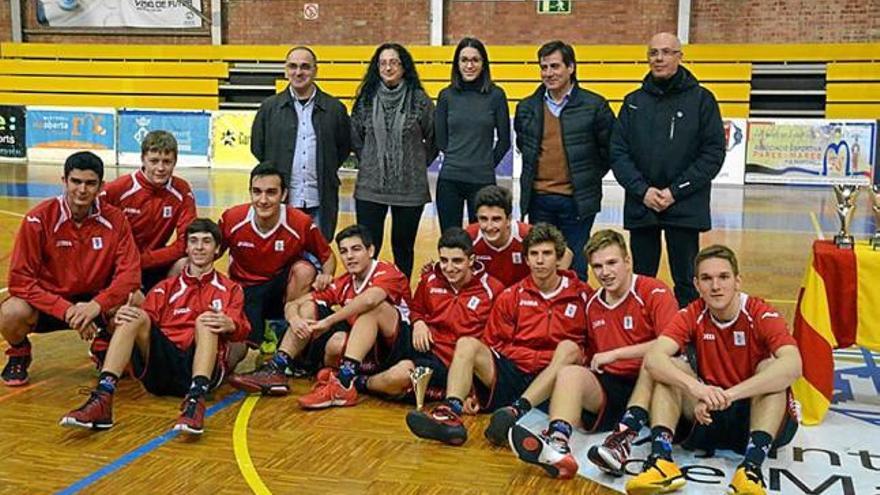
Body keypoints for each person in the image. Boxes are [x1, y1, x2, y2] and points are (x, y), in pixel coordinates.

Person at [625, 245, 801, 495]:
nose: (715, 286)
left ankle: (751, 469)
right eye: (707, 279)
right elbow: (653, 359)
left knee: (771, 368)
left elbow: (793, 366)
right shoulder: (692, 313)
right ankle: (662, 461)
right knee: (668, 369)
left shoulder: (760, 312)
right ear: (696, 284)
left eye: (723, 277)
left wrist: (729, 395)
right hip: (704, 414)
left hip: (753, 415)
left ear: (737, 281)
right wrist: (697, 389)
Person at [508, 229, 678, 479]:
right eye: (597, 266)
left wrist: (617, 354)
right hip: (612, 388)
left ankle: (622, 441)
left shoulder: (654, 291)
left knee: (654, 360)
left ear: (628, 261)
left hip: (656, 386)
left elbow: (672, 345)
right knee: (569, 373)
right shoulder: (592, 303)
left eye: (612, 263)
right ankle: (558, 445)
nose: (605, 273)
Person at [59, 219, 250, 436]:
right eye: (193, 241)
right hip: (160, 368)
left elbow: (244, 331)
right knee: (134, 315)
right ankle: (103, 397)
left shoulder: (231, 289)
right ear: (186, 248)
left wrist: (231, 324)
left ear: (217, 249)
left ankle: (195, 401)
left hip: (201, 366)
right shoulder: (164, 288)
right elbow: (142, 328)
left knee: (206, 320)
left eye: (206, 242)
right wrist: (117, 318)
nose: (199, 247)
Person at [405, 223, 589, 446]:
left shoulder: (582, 295)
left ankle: (516, 412)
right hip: (512, 374)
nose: (540, 260)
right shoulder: (511, 296)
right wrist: (473, 391)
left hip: (555, 378)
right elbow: (493, 344)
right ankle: (450, 413)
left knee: (569, 348)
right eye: (534, 254)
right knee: (467, 344)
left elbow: (591, 346)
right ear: (527, 259)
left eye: (547, 254)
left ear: (559, 258)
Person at [228, 224, 411, 409]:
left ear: (370, 250)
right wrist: (294, 319)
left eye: (356, 249)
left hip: (397, 346)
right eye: (344, 251)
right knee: (312, 310)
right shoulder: (345, 282)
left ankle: (344, 380)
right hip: (365, 347)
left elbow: (370, 300)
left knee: (373, 309)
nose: (350, 256)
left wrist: (328, 321)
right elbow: (295, 303)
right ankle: (278, 367)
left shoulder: (387, 271)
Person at [1, 151, 140, 387]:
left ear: (101, 186)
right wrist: (68, 310)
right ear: (64, 181)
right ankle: (19, 351)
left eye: (90, 183)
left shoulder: (115, 220)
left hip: (96, 303)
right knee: (10, 311)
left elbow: (130, 276)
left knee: (135, 300)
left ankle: (103, 343)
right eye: (76, 181)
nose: (82, 190)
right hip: (50, 302)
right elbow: (20, 281)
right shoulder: (38, 219)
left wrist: (95, 307)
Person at [610, 32, 726, 307]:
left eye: (666, 52)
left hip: (685, 207)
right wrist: (643, 191)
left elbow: (712, 154)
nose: (659, 58)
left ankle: (689, 340)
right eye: (653, 53)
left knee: (687, 280)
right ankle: (640, 338)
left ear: (679, 57)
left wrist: (676, 191)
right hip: (643, 205)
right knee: (641, 279)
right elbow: (618, 152)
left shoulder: (702, 100)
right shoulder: (633, 101)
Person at [357, 227, 504, 399]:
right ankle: (347, 371)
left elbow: (496, 337)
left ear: (471, 260)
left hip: (448, 362)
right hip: (421, 343)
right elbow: (415, 308)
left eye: (457, 261)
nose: (449, 268)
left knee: (399, 375)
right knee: (377, 308)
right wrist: (419, 322)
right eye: (444, 260)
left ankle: (361, 383)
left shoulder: (493, 290)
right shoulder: (430, 280)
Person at [514, 40, 615, 282]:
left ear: (570, 67)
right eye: (544, 67)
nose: (549, 73)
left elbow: (609, 150)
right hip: (539, 200)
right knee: (542, 265)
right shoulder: (527, 107)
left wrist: (586, 177)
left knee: (576, 266)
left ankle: (574, 317)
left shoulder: (595, 106)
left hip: (577, 201)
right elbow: (523, 145)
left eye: (555, 66)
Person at [219, 164, 335, 352]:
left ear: (283, 195)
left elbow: (328, 257)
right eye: (257, 192)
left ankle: (288, 332)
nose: (263, 200)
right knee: (243, 346)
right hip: (245, 290)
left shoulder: (299, 222)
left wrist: (326, 275)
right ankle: (262, 329)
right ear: (250, 193)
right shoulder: (232, 218)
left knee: (305, 270)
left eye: (271, 192)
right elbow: (211, 253)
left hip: (281, 289)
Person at [351, 42, 438, 279]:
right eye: (383, 63)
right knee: (367, 249)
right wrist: (371, 163)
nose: (388, 67)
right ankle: (366, 296)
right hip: (371, 187)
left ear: (404, 67)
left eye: (394, 62)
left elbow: (434, 137)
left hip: (409, 189)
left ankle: (400, 300)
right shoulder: (365, 100)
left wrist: (416, 163)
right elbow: (356, 139)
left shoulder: (420, 100)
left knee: (403, 248)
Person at [251, 45, 352, 241]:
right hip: (281, 201)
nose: (299, 72)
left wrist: (325, 167)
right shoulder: (269, 108)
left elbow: (343, 148)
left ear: (315, 70)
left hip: (321, 200)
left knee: (318, 257)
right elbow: (258, 147)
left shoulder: (334, 109)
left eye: (305, 67)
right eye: (293, 66)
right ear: (286, 70)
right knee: (281, 257)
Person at [102, 130, 196, 295]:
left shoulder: (181, 191)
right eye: (154, 161)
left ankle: (176, 309)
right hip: (121, 264)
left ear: (175, 162)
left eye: (167, 162)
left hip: (155, 261)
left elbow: (186, 242)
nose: (160, 168)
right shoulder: (118, 189)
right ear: (143, 159)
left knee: (189, 263)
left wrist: (143, 260)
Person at [434, 37, 510, 233]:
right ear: (457, 64)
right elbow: (441, 139)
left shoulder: (496, 95)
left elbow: (504, 141)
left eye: (475, 60)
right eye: (464, 60)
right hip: (450, 180)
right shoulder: (446, 96)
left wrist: (485, 164)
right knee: (451, 240)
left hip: (482, 182)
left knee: (483, 241)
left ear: (483, 63)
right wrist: (457, 159)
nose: (469, 65)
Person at [465, 185, 571, 288]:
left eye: (496, 219)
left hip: (522, 299)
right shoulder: (469, 237)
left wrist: (545, 289)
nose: (489, 226)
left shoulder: (527, 234)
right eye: (483, 219)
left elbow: (566, 254)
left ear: (509, 219)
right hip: (487, 298)